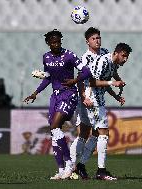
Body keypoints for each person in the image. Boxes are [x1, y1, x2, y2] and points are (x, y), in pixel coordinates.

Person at [23, 29, 92, 180]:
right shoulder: (46, 57)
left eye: (58, 42)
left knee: (54, 126)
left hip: (68, 94)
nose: (56, 44)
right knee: (55, 131)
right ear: (48, 43)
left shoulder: (69, 55)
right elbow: (48, 77)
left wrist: (74, 80)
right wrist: (36, 92)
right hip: (55, 97)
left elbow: (86, 72)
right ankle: (61, 170)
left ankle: (69, 164)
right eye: (53, 42)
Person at [64, 42, 132, 180]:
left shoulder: (112, 64)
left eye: (127, 57)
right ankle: (99, 170)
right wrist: (113, 82)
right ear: (116, 53)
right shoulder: (103, 61)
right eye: (123, 56)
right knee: (102, 133)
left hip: (98, 100)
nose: (125, 59)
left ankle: (80, 166)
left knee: (96, 134)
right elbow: (92, 82)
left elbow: (106, 82)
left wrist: (116, 96)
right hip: (92, 100)